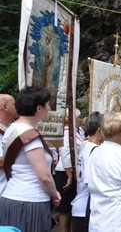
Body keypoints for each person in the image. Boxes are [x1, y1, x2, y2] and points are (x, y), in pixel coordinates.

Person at [0, 86, 61, 231]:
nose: (49, 108)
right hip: (31, 201)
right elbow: (44, 176)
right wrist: (55, 194)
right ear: (39, 108)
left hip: (10, 197)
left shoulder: (11, 129)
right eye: (47, 104)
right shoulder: (29, 135)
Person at [70, 112, 104, 232]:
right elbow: (90, 181)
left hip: (81, 206)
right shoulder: (95, 151)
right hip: (85, 209)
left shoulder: (86, 146)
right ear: (99, 131)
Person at [54, 108, 83, 232]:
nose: (81, 119)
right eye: (79, 117)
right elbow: (65, 153)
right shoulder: (66, 133)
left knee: (69, 205)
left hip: (69, 170)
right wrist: (69, 175)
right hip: (65, 171)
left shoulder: (73, 132)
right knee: (65, 207)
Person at [0, 94, 18, 194]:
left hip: (9, 191)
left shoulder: (12, 128)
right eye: (14, 104)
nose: (18, 107)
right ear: (5, 107)